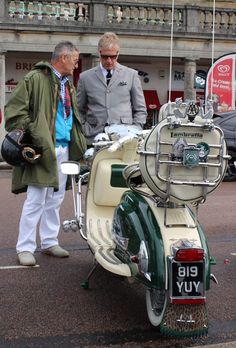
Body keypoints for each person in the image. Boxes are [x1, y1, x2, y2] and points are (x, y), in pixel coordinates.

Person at [4, 41, 87, 266]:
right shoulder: (35, 78)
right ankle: (25, 247)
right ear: (62, 57)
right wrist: (36, 134)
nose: (76, 63)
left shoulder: (67, 83)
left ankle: (49, 241)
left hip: (64, 147)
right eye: (74, 59)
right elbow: (13, 112)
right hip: (42, 149)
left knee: (56, 198)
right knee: (36, 199)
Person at [76, 32, 147, 145]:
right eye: (105, 57)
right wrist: (84, 128)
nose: (109, 61)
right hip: (93, 137)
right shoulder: (85, 78)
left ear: (118, 54)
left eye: (113, 57)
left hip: (124, 138)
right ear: (99, 53)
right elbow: (78, 109)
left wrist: (135, 130)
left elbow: (140, 109)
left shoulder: (131, 75)